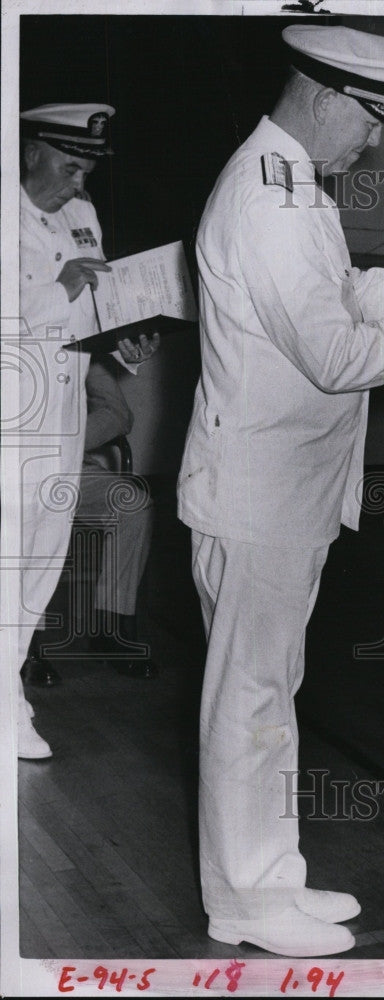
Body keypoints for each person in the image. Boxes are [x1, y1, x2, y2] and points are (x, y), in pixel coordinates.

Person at [177, 24, 384, 958]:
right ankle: (243, 900)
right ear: (327, 99)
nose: (374, 143)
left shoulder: (290, 184)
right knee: (246, 703)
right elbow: (334, 355)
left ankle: (270, 877)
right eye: (372, 121)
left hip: (283, 490)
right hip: (259, 495)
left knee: (268, 695)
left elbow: (341, 295)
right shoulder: (269, 199)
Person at [16, 103, 159, 760]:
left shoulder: (81, 217)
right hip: (10, 422)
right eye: (70, 166)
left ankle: (7, 695)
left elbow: (96, 305)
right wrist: (60, 291)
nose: (79, 184)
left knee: (43, 563)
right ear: (31, 153)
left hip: (65, 419)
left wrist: (126, 339)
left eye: (88, 171)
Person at [20, 357, 158, 687]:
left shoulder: (79, 338)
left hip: (71, 467)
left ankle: (112, 628)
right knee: (32, 512)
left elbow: (118, 413)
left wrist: (64, 444)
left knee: (134, 506)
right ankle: (25, 645)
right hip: (14, 473)